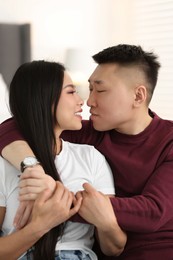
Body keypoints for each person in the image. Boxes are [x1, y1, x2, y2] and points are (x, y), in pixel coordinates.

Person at [0, 44, 173, 260]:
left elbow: (153, 211)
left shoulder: (169, 140)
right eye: (89, 89)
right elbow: (16, 126)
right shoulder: (91, 132)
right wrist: (32, 168)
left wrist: (54, 197)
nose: (89, 102)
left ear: (138, 96)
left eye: (100, 90)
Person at [0, 60, 126, 260]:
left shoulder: (91, 157)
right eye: (71, 92)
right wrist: (41, 224)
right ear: (43, 99)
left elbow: (114, 248)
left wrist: (106, 223)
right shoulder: (5, 164)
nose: (81, 101)